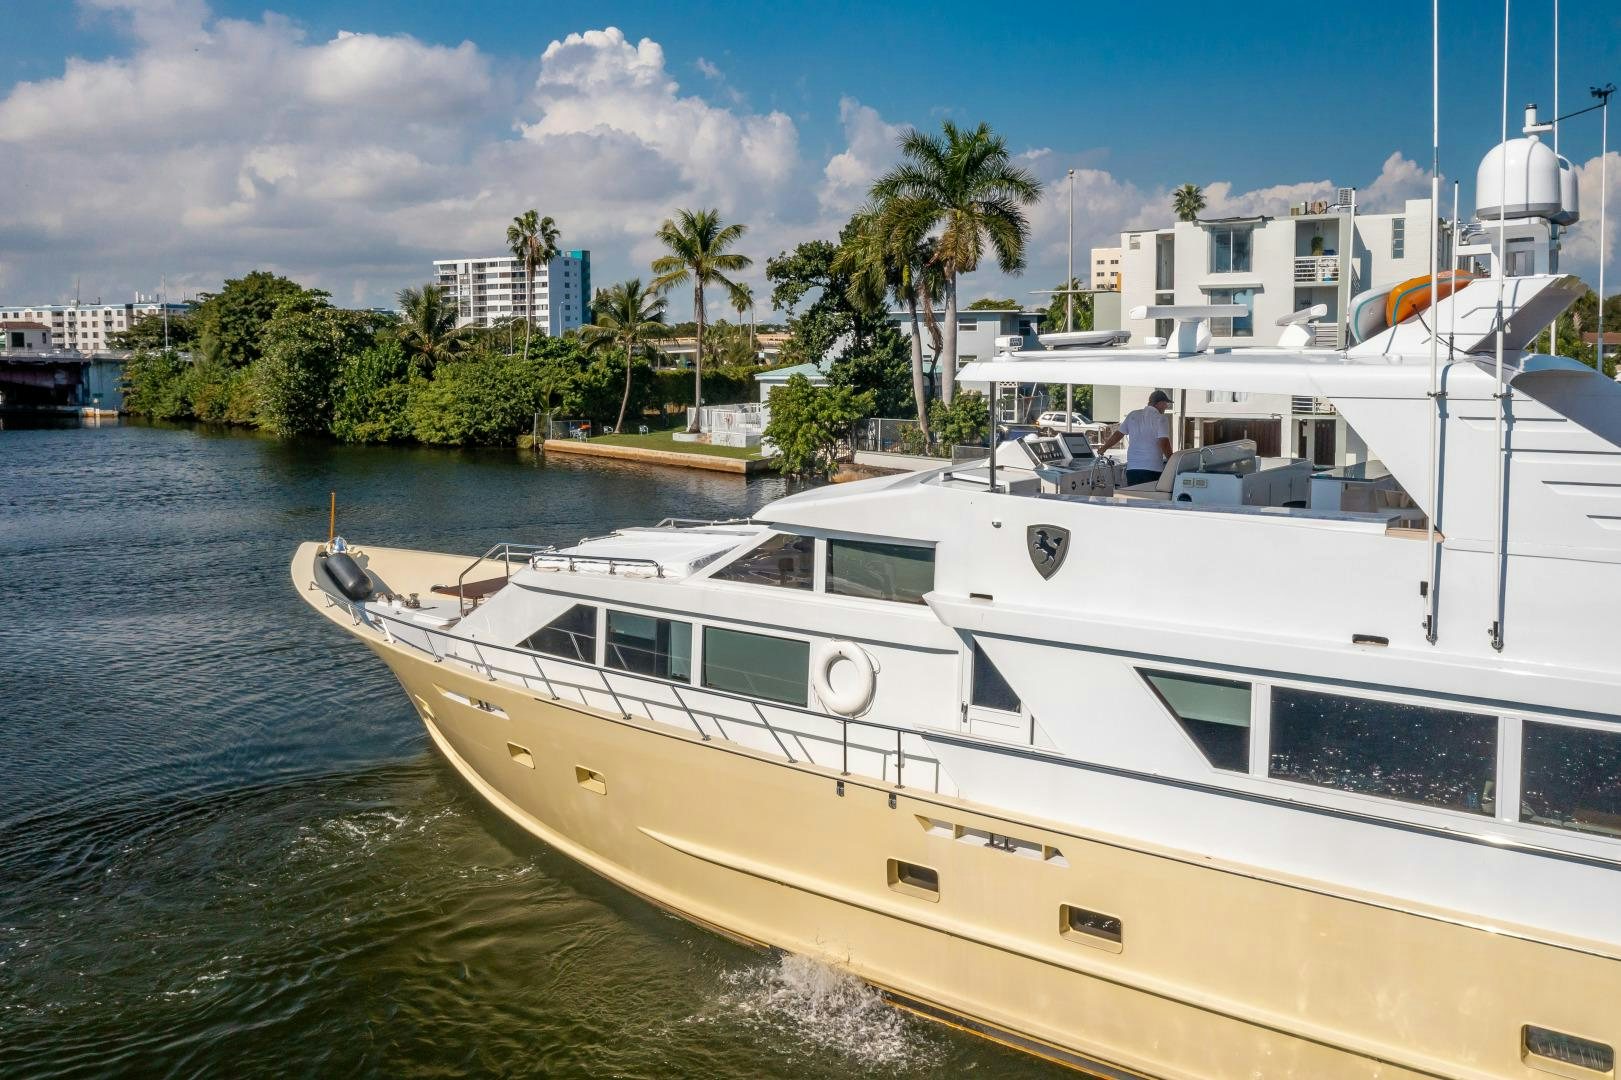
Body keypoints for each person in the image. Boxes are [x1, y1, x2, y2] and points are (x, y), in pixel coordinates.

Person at [1100, 389, 1173, 486]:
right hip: (1152, 468)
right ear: (1159, 403)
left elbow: (1118, 434)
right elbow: (1164, 442)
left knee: (1134, 495)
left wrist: (1104, 448)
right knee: (1149, 495)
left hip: (1132, 469)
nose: (1166, 406)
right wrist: (1172, 461)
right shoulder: (1161, 418)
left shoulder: (1132, 415)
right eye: (1165, 403)